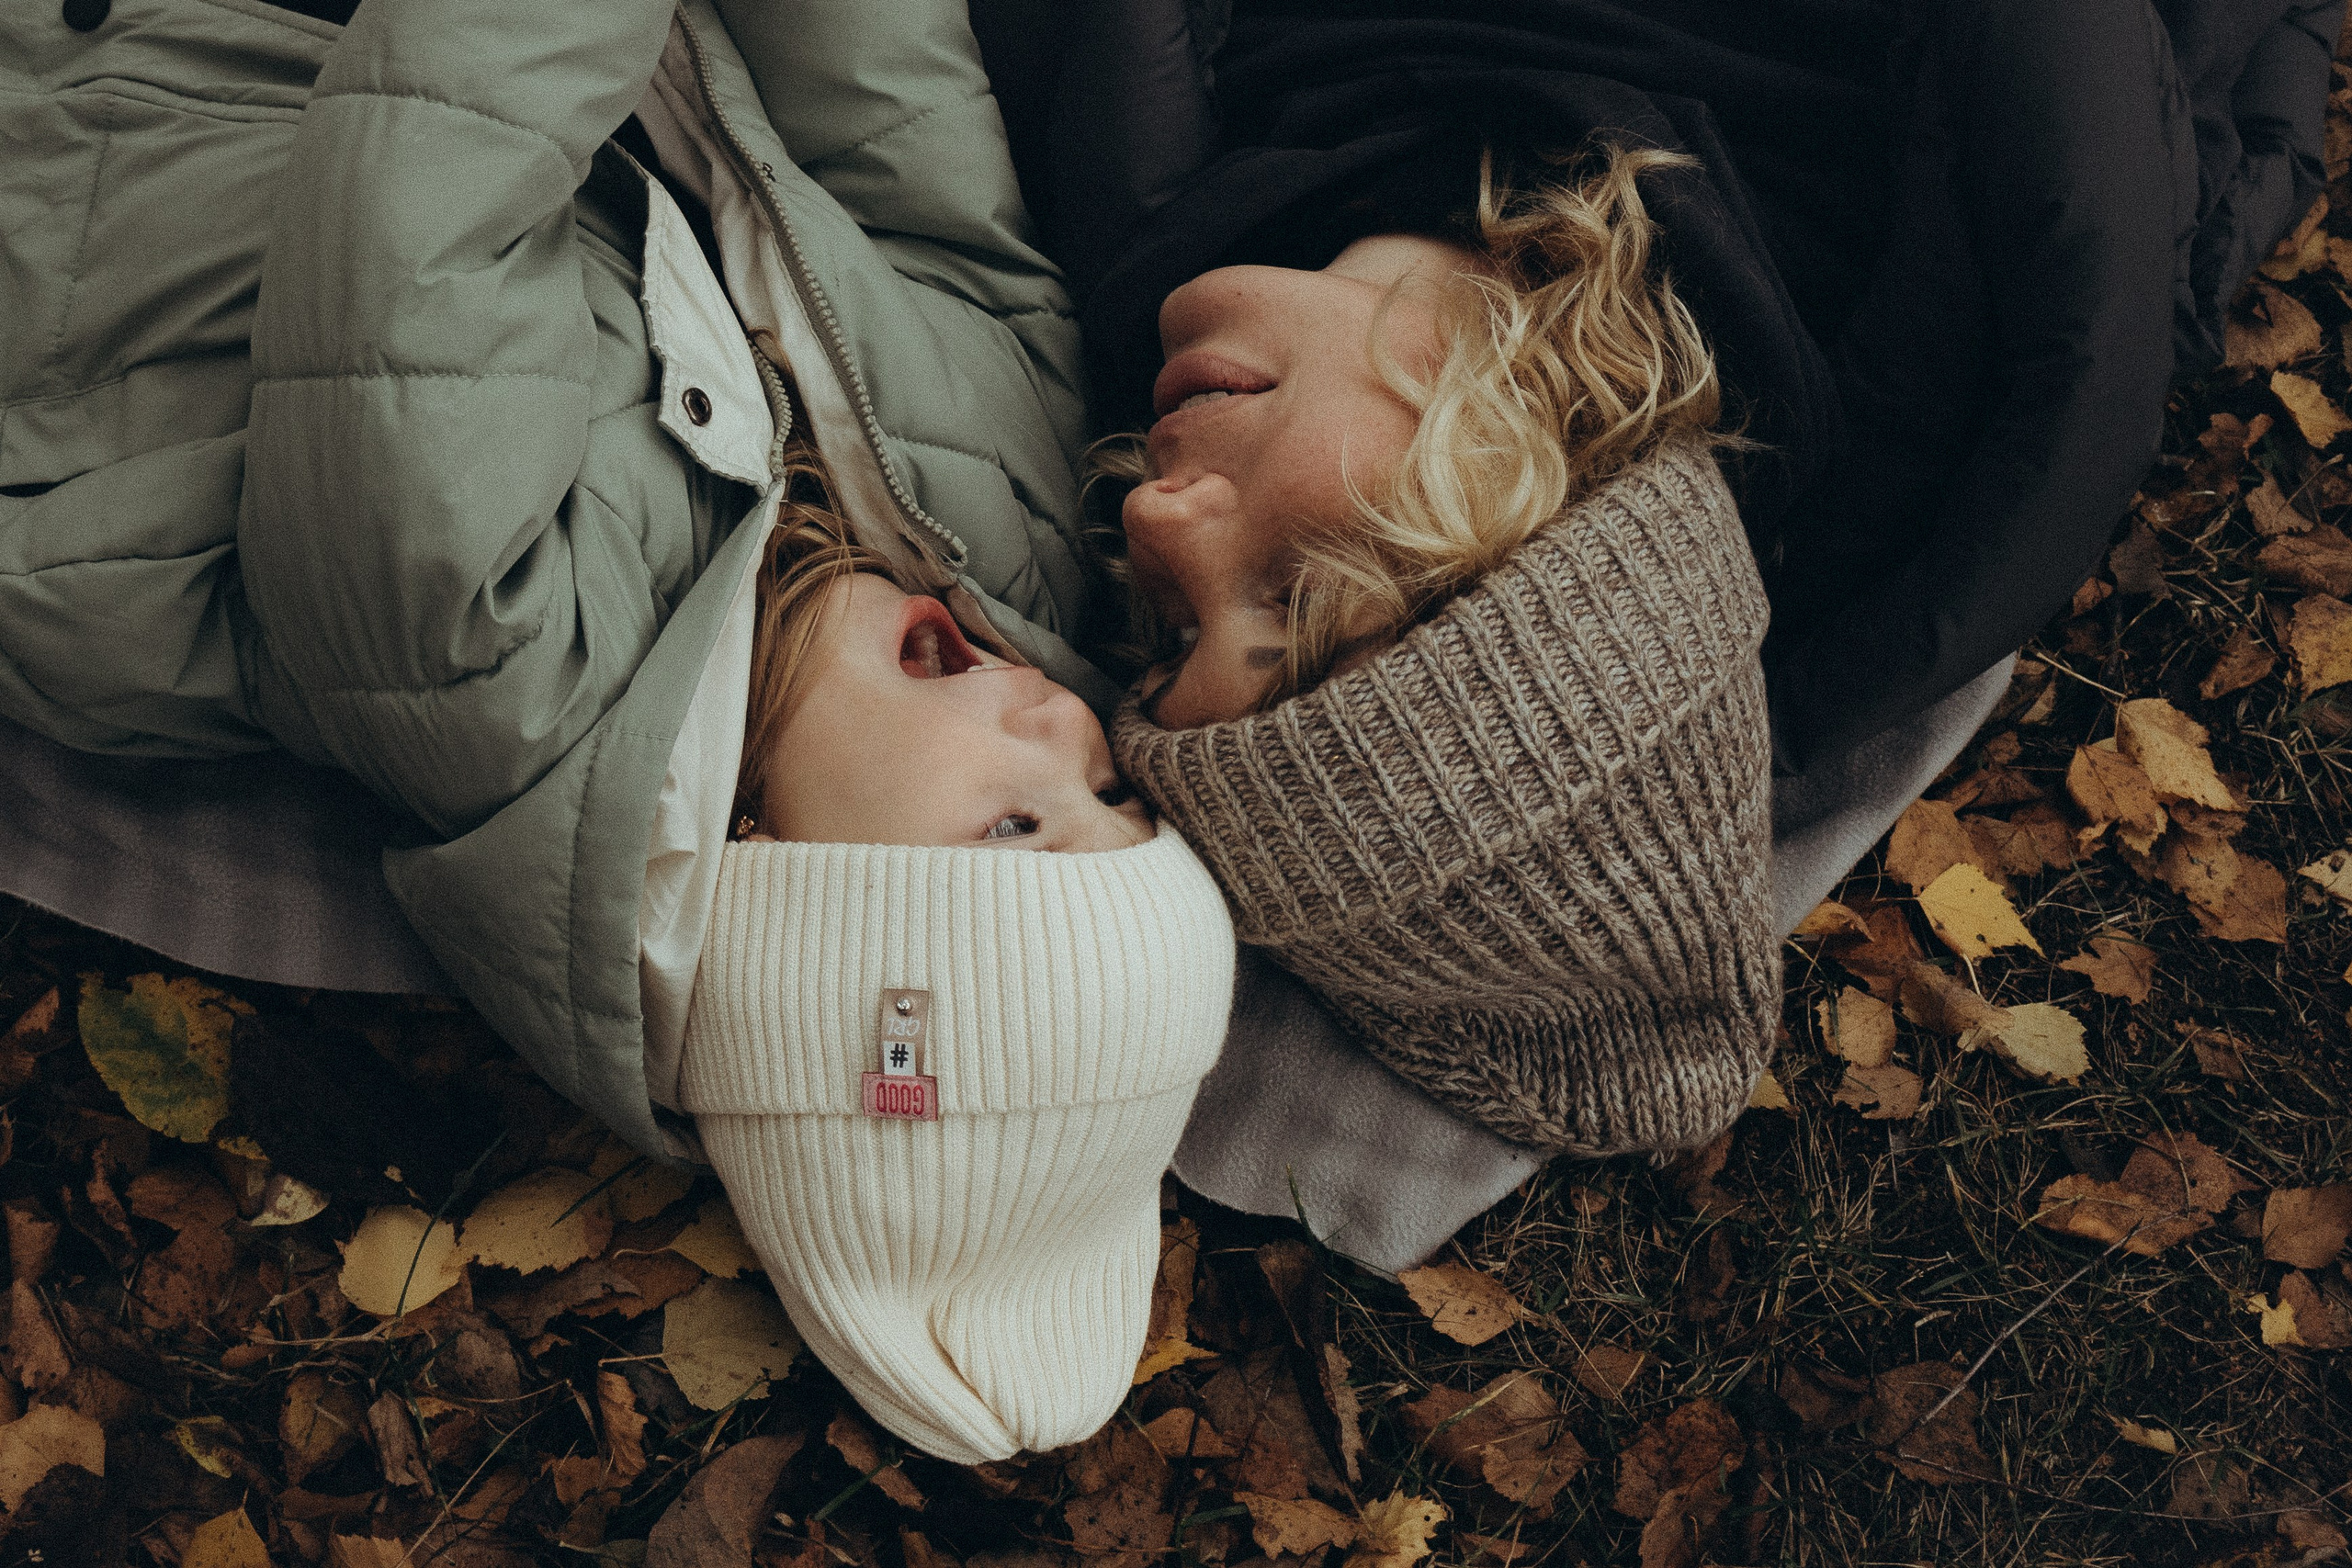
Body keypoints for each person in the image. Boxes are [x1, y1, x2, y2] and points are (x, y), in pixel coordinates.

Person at [0, 0, 1238, 1461]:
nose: (1052, 716)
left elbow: (439, 168)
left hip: (139, 117)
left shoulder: (488, 648)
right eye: (1112, 787)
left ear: (779, 873)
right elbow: (918, 176)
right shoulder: (1012, 544)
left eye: (1017, 824)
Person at [962, 0, 2344, 1269]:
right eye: (1296, 591)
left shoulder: (1151, 234)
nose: (1156, 519)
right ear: (1540, 522)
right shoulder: (1900, 342)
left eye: (1163, 633)